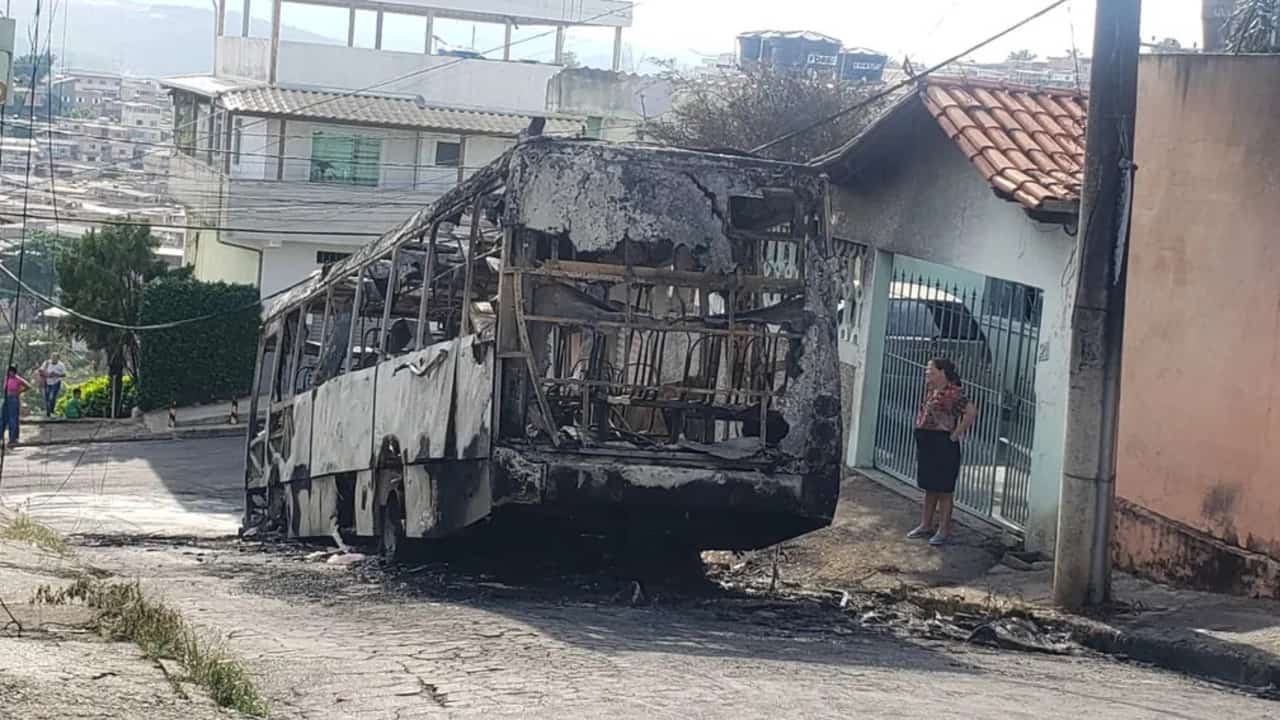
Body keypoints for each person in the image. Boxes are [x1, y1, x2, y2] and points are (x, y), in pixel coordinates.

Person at [908, 357, 978, 546]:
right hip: (928, 442)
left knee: (944, 489)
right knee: (931, 486)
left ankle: (943, 529)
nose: (927, 372)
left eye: (930, 369)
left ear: (942, 372)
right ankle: (926, 524)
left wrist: (956, 434)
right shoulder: (932, 391)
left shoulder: (953, 393)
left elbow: (971, 412)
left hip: (943, 443)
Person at [3, 365, 31, 446]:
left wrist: (19, 392)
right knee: (6, 418)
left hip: (14, 398)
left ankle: (13, 438)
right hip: (7, 398)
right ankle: (8, 436)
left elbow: (28, 386)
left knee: (13, 419)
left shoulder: (17, 378)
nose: (10, 373)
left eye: (11, 371)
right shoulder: (7, 378)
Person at [39, 352, 67, 416]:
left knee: (53, 397)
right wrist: (47, 374)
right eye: (52, 357)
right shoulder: (46, 363)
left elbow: (64, 374)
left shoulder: (61, 365)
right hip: (47, 382)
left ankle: (51, 410)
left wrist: (56, 374)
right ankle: (48, 411)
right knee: (47, 397)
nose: (53, 359)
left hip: (56, 382)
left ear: (58, 358)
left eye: (55, 357)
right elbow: (40, 370)